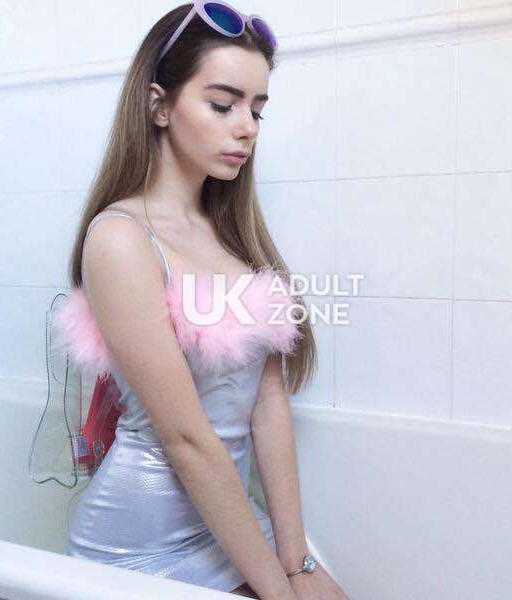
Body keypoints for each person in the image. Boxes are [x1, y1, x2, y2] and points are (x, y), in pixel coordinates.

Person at [59, 2, 348, 599]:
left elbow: (268, 404)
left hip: (231, 524)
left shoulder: (234, 238)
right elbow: (187, 443)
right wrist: (277, 592)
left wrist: (295, 563)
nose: (247, 127)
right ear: (160, 106)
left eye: (257, 110)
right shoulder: (120, 240)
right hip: (139, 548)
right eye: (223, 105)